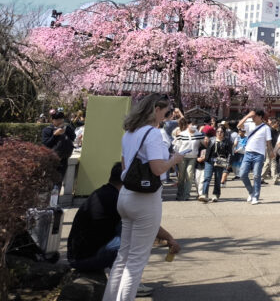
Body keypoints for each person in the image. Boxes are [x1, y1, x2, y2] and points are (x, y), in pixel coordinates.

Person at [103, 94, 184, 301]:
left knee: (123, 256)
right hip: (145, 199)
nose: (167, 116)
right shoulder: (153, 134)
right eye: (166, 111)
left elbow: (124, 166)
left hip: (126, 195)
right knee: (136, 261)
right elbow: (157, 169)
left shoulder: (129, 133)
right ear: (156, 109)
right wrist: (174, 159)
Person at [68, 162, 179, 298]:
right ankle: (130, 284)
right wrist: (169, 238)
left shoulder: (105, 192)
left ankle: (125, 282)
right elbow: (148, 225)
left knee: (128, 232)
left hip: (79, 255)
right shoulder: (116, 198)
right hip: (86, 259)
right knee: (134, 246)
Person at [238, 109, 274, 204]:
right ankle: (251, 191)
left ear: (260, 117)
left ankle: (256, 197)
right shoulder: (250, 125)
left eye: (254, 116)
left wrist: (270, 152)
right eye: (252, 116)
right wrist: (248, 116)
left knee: (257, 176)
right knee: (242, 174)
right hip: (248, 153)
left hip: (259, 154)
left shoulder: (266, 128)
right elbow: (239, 125)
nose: (253, 118)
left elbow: (268, 142)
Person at [172, 117, 203, 201]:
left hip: (192, 157)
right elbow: (176, 145)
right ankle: (180, 194)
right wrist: (175, 156)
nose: (193, 126)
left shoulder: (199, 134)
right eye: (192, 124)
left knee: (189, 175)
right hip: (182, 157)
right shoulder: (182, 134)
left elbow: (204, 144)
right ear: (188, 125)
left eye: (195, 125)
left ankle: (186, 195)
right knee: (181, 176)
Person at [42, 109, 76, 182]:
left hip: (64, 158)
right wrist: (54, 135)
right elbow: (46, 144)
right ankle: (51, 192)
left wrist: (67, 130)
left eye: (61, 119)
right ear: (52, 120)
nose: (59, 121)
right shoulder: (47, 130)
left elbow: (73, 138)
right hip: (52, 159)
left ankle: (56, 192)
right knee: (50, 180)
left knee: (60, 179)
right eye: (57, 119)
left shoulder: (67, 128)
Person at [199, 127, 232, 202]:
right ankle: (204, 194)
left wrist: (228, 163)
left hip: (220, 161)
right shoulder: (212, 140)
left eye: (221, 132)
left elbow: (230, 153)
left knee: (217, 179)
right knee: (207, 178)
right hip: (210, 161)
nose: (219, 133)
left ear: (224, 133)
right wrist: (206, 159)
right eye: (218, 131)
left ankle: (216, 194)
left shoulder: (227, 142)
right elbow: (208, 151)